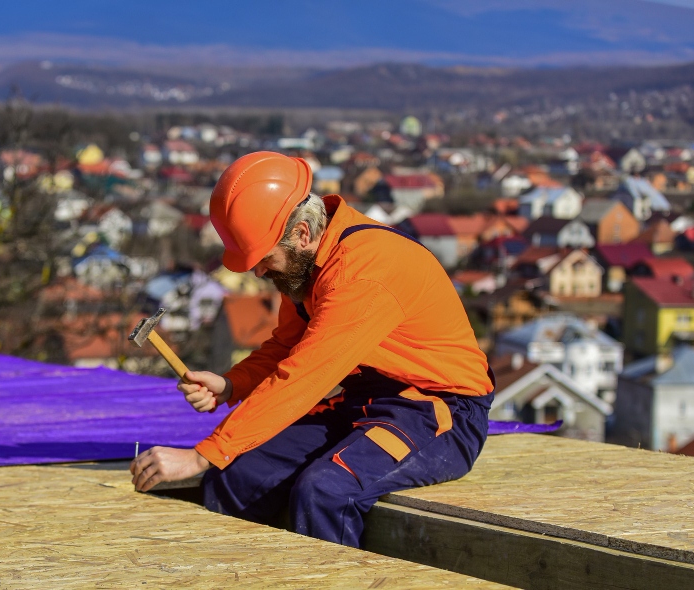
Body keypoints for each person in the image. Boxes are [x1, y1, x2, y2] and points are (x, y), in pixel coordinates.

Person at [130, 151, 494, 547]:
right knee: (236, 476)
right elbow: (288, 345)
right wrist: (232, 384)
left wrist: (202, 455)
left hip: (437, 412)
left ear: (302, 233)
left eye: (264, 258)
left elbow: (304, 375)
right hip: (366, 402)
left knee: (325, 492)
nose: (258, 271)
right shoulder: (307, 267)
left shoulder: (363, 274)